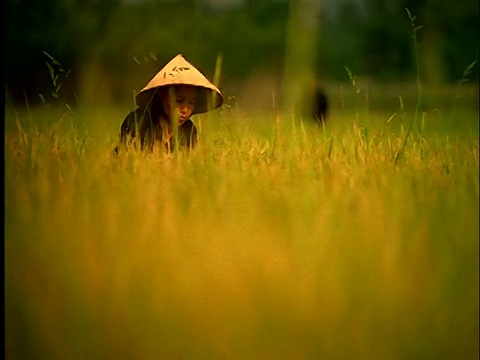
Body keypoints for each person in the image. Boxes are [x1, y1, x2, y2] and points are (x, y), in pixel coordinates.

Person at [115, 53, 223, 153]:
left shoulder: (188, 130)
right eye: (179, 100)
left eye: (191, 102)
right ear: (163, 95)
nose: (185, 110)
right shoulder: (139, 121)